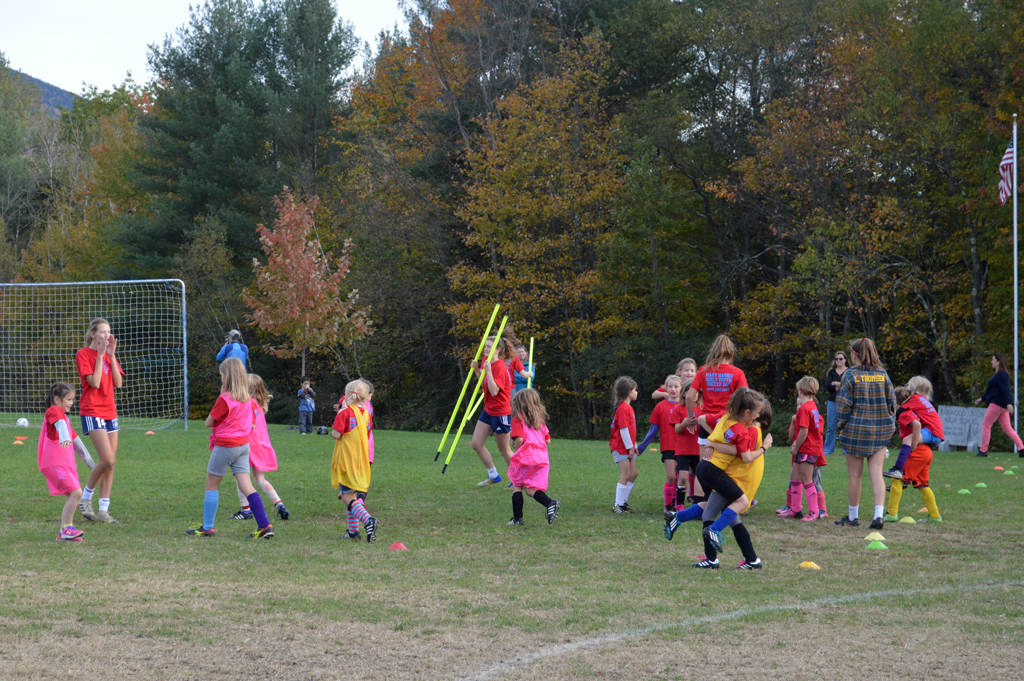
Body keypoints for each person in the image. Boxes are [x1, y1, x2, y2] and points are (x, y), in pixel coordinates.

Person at [665, 389, 771, 570]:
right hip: (728, 474)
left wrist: (712, 442)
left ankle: (751, 559)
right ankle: (713, 552)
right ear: (749, 414)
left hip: (710, 469)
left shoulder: (727, 418)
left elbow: (706, 421)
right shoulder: (748, 430)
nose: (758, 415)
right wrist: (765, 447)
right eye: (757, 412)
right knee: (727, 509)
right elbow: (744, 455)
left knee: (722, 513)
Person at [186, 358, 274, 539]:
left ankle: (208, 527)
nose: (221, 379)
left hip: (226, 446)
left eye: (221, 376)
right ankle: (264, 525)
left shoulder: (225, 399)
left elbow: (208, 422)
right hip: (243, 447)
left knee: (211, 484)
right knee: (247, 486)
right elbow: (251, 424)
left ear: (227, 376)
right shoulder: (249, 401)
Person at [834, 337, 896, 530]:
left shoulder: (851, 375)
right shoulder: (883, 374)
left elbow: (843, 406)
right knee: (876, 473)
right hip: (880, 432)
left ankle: (853, 517)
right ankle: (878, 516)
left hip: (855, 431)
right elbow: (892, 403)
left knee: (855, 476)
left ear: (854, 355)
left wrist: (841, 425)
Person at [76, 318, 124, 524]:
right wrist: (101, 356)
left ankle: (103, 511)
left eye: (109, 332)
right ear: (92, 334)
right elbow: (94, 383)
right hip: (92, 410)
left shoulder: (108, 355)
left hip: (110, 412)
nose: (107, 336)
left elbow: (118, 383)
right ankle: (85, 498)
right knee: (107, 460)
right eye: (102, 332)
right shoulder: (83, 354)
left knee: (110, 464)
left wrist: (111, 357)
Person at [229, 374, 290, 522]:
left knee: (241, 478)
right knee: (260, 479)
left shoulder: (248, 404)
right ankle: (279, 505)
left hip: (248, 445)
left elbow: (246, 425)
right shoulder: (260, 404)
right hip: (261, 446)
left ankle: (245, 510)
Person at [38, 382, 94, 541]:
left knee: (73, 495)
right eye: (68, 399)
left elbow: (78, 443)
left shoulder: (65, 419)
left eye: (72, 400)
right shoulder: (53, 411)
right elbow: (60, 425)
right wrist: (63, 437)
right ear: (57, 400)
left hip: (61, 464)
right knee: (76, 493)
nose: (71, 403)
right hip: (55, 463)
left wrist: (91, 463)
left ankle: (64, 532)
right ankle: (66, 529)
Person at [884, 386, 943, 523]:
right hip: (927, 451)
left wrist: (914, 445)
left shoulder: (905, 413)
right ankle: (935, 516)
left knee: (897, 478)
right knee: (922, 484)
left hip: (919, 451)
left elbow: (916, 425)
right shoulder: (912, 410)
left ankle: (892, 513)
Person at [331, 379, 379, 542]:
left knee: (347, 497)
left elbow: (336, 434)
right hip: (361, 459)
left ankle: (368, 520)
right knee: (350, 494)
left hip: (347, 459)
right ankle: (353, 532)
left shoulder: (345, 413)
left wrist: (339, 414)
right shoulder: (366, 413)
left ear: (348, 395)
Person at [471, 330, 519, 487]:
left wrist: (489, 371)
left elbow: (493, 390)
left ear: (498, 350)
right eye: (485, 346)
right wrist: (477, 370)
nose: (486, 349)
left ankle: (518, 478)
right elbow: (484, 385)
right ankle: (493, 474)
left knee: (504, 450)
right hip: (488, 410)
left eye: (489, 346)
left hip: (501, 413)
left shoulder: (498, 367)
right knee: (476, 444)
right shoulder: (487, 361)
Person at [506, 388, 560, 526]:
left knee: (517, 486)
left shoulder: (517, 420)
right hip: (541, 459)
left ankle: (518, 519)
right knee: (531, 489)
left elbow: (519, 439)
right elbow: (547, 440)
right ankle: (549, 503)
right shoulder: (540, 421)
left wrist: (517, 448)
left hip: (525, 458)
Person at [684, 336, 747, 447]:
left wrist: (690, 419)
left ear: (713, 350)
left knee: (704, 462)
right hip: (728, 420)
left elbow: (689, 397)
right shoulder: (738, 373)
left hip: (707, 421)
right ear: (731, 351)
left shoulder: (703, 370)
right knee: (726, 459)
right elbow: (745, 398)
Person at [780, 377, 826, 522]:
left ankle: (814, 511)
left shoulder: (805, 408)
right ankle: (795, 509)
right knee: (795, 478)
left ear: (800, 391)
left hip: (807, 449)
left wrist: (796, 447)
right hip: (808, 448)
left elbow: (804, 432)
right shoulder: (812, 406)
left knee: (807, 480)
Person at [639, 375, 683, 512]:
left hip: (683, 447)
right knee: (671, 476)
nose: (673, 389)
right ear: (666, 388)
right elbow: (653, 430)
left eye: (676, 386)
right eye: (670, 386)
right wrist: (642, 446)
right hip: (668, 446)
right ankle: (668, 505)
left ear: (681, 388)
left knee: (680, 477)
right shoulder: (660, 406)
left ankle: (677, 503)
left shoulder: (686, 405)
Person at [885, 376, 944, 478]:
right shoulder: (922, 399)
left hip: (931, 431)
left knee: (908, 439)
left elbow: (899, 412)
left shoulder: (914, 398)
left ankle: (898, 469)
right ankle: (905, 479)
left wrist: (914, 444)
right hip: (936, 432)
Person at [974, 354, 1024, 457]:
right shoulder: (999, 374)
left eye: (993, 360)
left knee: (986, 426)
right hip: (1002, 406)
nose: (991, 362)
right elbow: (992, 391)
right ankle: (1022, 449)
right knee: (1007, 428)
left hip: (997, 405)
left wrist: (1010, 403)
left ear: (998, 362)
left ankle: (983, 451)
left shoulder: (1001, 374)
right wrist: (982, 398)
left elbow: (1006, 390)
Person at [671, 379, 704, 510]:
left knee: (698, 477)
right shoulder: (678, 409)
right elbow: (677, 429)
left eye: (696, 392)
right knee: (683, 476)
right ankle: (679, 503)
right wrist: (684, 423)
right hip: (683, 449)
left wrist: (700, 422)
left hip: (698, 449)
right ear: (684, 394)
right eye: (690, 392)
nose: (694, 394)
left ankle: (697, 502)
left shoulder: (703, 408)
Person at [610, 376, 639, 513]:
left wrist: (635, 445)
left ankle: (623, 502)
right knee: (626, 474)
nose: (636, 392)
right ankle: (618, 505)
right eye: (635, 390)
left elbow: (631, 430)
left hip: (629, 447)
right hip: (621, 447)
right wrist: (629, 447)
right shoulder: (623, 409)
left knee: (634, 473)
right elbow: (623, 430)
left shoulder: (629, 408)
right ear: (628, 392)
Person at [824, 351, 848, 456]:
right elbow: (827, 387)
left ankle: (846, 450)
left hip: (845, 402)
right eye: (836, 358)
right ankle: (828, 449)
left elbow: (848, 387)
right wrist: (838, 385)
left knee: (845, 426)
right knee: (831, 426)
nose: (838, 360)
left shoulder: (849, 372)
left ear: (845, 360)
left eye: (841, 358)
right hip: (832, 401)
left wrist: (836, 384)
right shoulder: (831, 372)